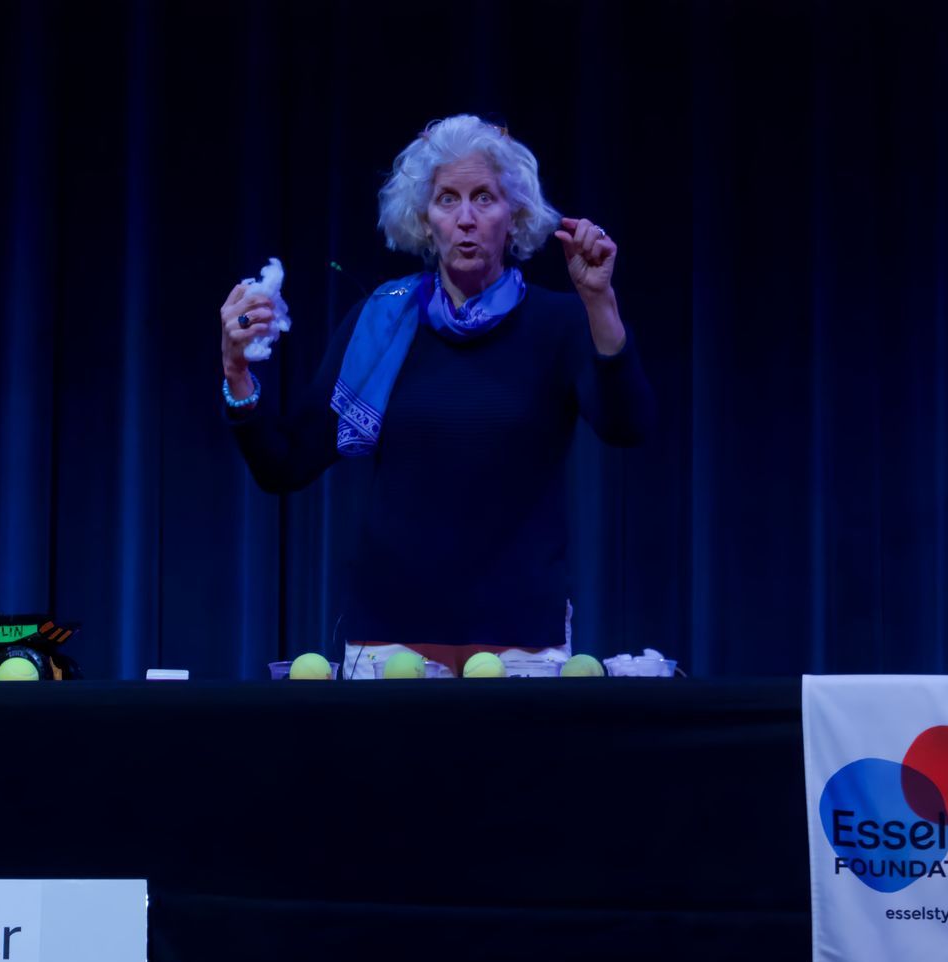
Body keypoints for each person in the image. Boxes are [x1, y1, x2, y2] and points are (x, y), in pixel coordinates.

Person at [217, 114, 654, 676]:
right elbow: (285, 465)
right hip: (389, 640)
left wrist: (601, 304)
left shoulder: (561, 323)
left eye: (484, 198)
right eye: (448, 200)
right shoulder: (380, 321)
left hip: (520, 638)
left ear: (514, 214)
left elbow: (628, 426)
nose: (466, 219)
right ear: (425, 219)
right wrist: (236, 373)